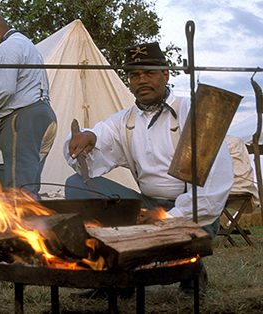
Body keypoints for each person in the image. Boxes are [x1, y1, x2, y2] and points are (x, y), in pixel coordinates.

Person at [64, 42, 234, 297]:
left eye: (149, 73)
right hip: (145, 206)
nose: (141, 80)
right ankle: (115, 279)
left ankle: (192, 269)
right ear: (129, 81)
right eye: (134, 75)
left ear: (165, 75)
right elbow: (90, 145)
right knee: (74, 184)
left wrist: (168, 217)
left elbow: (213, 191)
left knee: (188, 225)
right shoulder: (124, 121)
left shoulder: (193, 112)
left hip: (193, 212)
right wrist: (86, 139)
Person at [0, 12, 57, 199]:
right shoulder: (27, 45)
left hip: (23, 119)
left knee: (18, 192)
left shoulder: (7, 46)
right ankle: (36, 226)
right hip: (44, 116)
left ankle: (21, 227)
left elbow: (3, 90)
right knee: (29, 187)